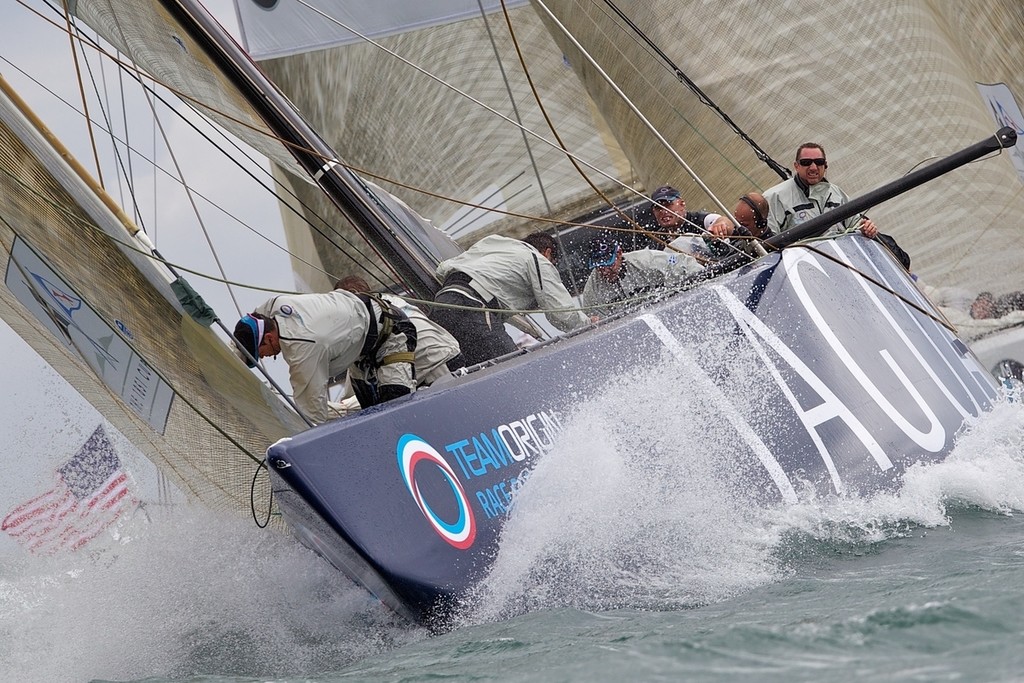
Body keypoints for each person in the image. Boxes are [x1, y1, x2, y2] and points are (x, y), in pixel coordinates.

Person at [232, 290, 417, 424]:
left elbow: (312, 417)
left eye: (261, 353)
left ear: (269, 338)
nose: (263, 357)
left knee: (397, 414)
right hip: (361, 349)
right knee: (373, 415)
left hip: (391, 335)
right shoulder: (273, 307)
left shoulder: (302, 349)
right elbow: (244, 333)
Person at [432, 232, 590, 366]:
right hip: (473, 307)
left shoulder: (492, 243)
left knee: (468, 373)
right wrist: (588, 325)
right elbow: (562, 313)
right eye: (553, 263)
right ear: (547, 253)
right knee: (514, 371)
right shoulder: (537, 259)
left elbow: (442, 270)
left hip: (440, 304)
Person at [335, 275, 463, 385]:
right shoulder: (392, 300)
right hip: (450, 352)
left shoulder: (364, 315)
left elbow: (358, 367)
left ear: (352, 293)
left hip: (431, 368)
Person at [763, 142, 879, 238]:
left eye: (819, 162)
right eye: (806, 163)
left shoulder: (837, 193)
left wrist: (866, 227)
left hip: (842, 259)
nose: (813, 168)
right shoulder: (774, 197)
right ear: (796, 166)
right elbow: (768, 244)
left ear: (825, 165)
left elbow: (855, 223)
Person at [581, 238, 703, 317]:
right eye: (600, 267)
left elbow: (686, 265)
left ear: (619, 254)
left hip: (667, 312)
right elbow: (592, 320)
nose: (605, 271)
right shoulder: (592, 290)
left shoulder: (648, 260)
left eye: (609, 263)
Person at [650, 185, 753, 260]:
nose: (663, 211)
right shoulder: (657, 241)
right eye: (658, 207)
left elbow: (723, 221)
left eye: (668, 204)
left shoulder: (701, 220)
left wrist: (722, 226)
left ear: (682, 204)